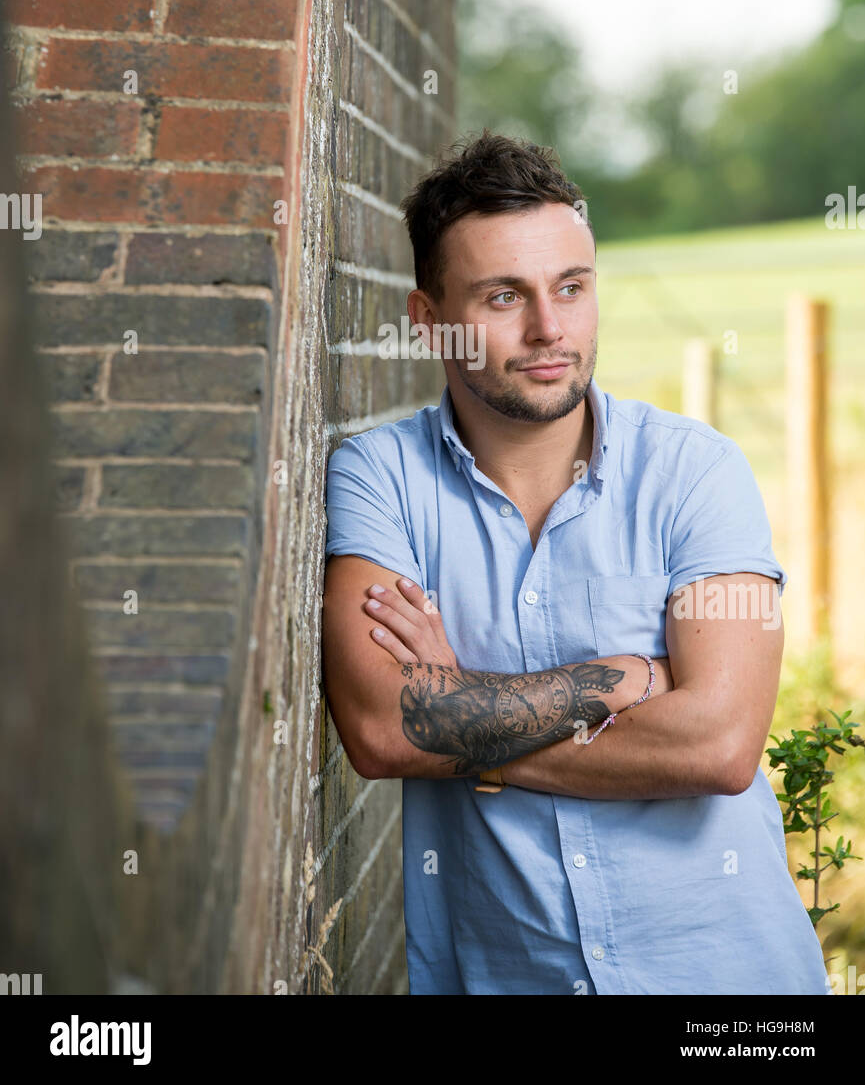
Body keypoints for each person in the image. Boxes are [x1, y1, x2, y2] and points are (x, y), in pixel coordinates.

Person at [322, 129, 829, 996]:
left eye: (571, 287)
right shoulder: (379, 479)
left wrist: (462, 730)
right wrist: (628, 677)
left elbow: (717, 742)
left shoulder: (695, 472)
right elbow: (381, 730)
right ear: (428, 319)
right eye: (501, 297)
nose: (548, 328)